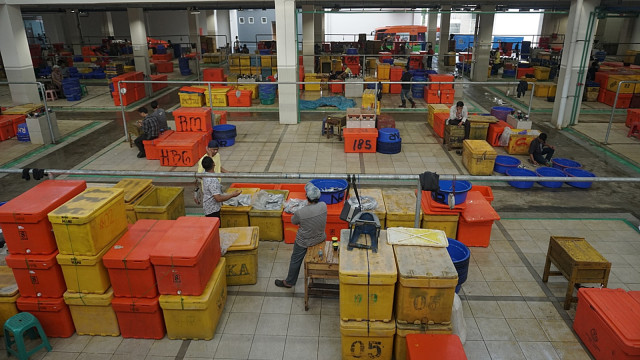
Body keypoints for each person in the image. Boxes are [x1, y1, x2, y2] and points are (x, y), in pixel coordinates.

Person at [275, 183, 327, 288]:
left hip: (304, 241)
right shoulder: (323, 206)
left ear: (307, 197)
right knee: (317, 256)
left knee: (295, 259)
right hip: (320, 238)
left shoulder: (300, 212)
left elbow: (293, 221)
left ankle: (289, 282)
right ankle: (317, 274)